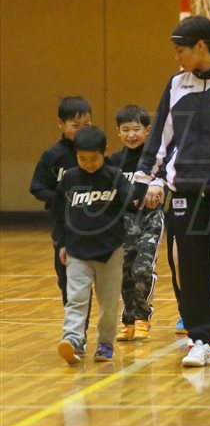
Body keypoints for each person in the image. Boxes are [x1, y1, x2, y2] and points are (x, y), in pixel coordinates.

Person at [135, 15, 210, 367]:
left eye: (181, 50)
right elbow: (161, 136)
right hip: (186, 189)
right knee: (190, 265)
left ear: (201, 47)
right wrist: (147, 178)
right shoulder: (177, 84)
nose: (177, 57)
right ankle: (200, 339)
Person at [54, 126, 133, 364]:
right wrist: (61, 242)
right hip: (77, 250)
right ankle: (73, 339)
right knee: (76, 298)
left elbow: (130, 205)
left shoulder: (115, 177)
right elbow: (59, 213)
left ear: (104, 152)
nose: (88, 164)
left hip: (111, 250)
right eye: (82, 159)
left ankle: (105, 342)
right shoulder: (69, 178)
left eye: (93, 159)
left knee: (108, 302)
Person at [30, 96, 92, 306]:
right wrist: (61, 198)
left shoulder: (95, 153)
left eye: (87, 125)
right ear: (61, 123)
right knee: (67, 278)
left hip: (94, 225)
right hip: (64, 227)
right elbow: (37, 187)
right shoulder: (53, 155)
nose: (81, 131)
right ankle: (75, 320)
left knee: (94, 277)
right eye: (75, 125)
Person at [111, 106, 165, 342]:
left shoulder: (154, 161)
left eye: (136, 129)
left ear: (147, 130)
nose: (131, 135)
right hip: (123, 223)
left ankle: (143, 317)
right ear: (118, 132)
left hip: (150, 220)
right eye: (125, 130)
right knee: (125, 273)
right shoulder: (114, 162)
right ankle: (129, 320)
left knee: (142, 269)